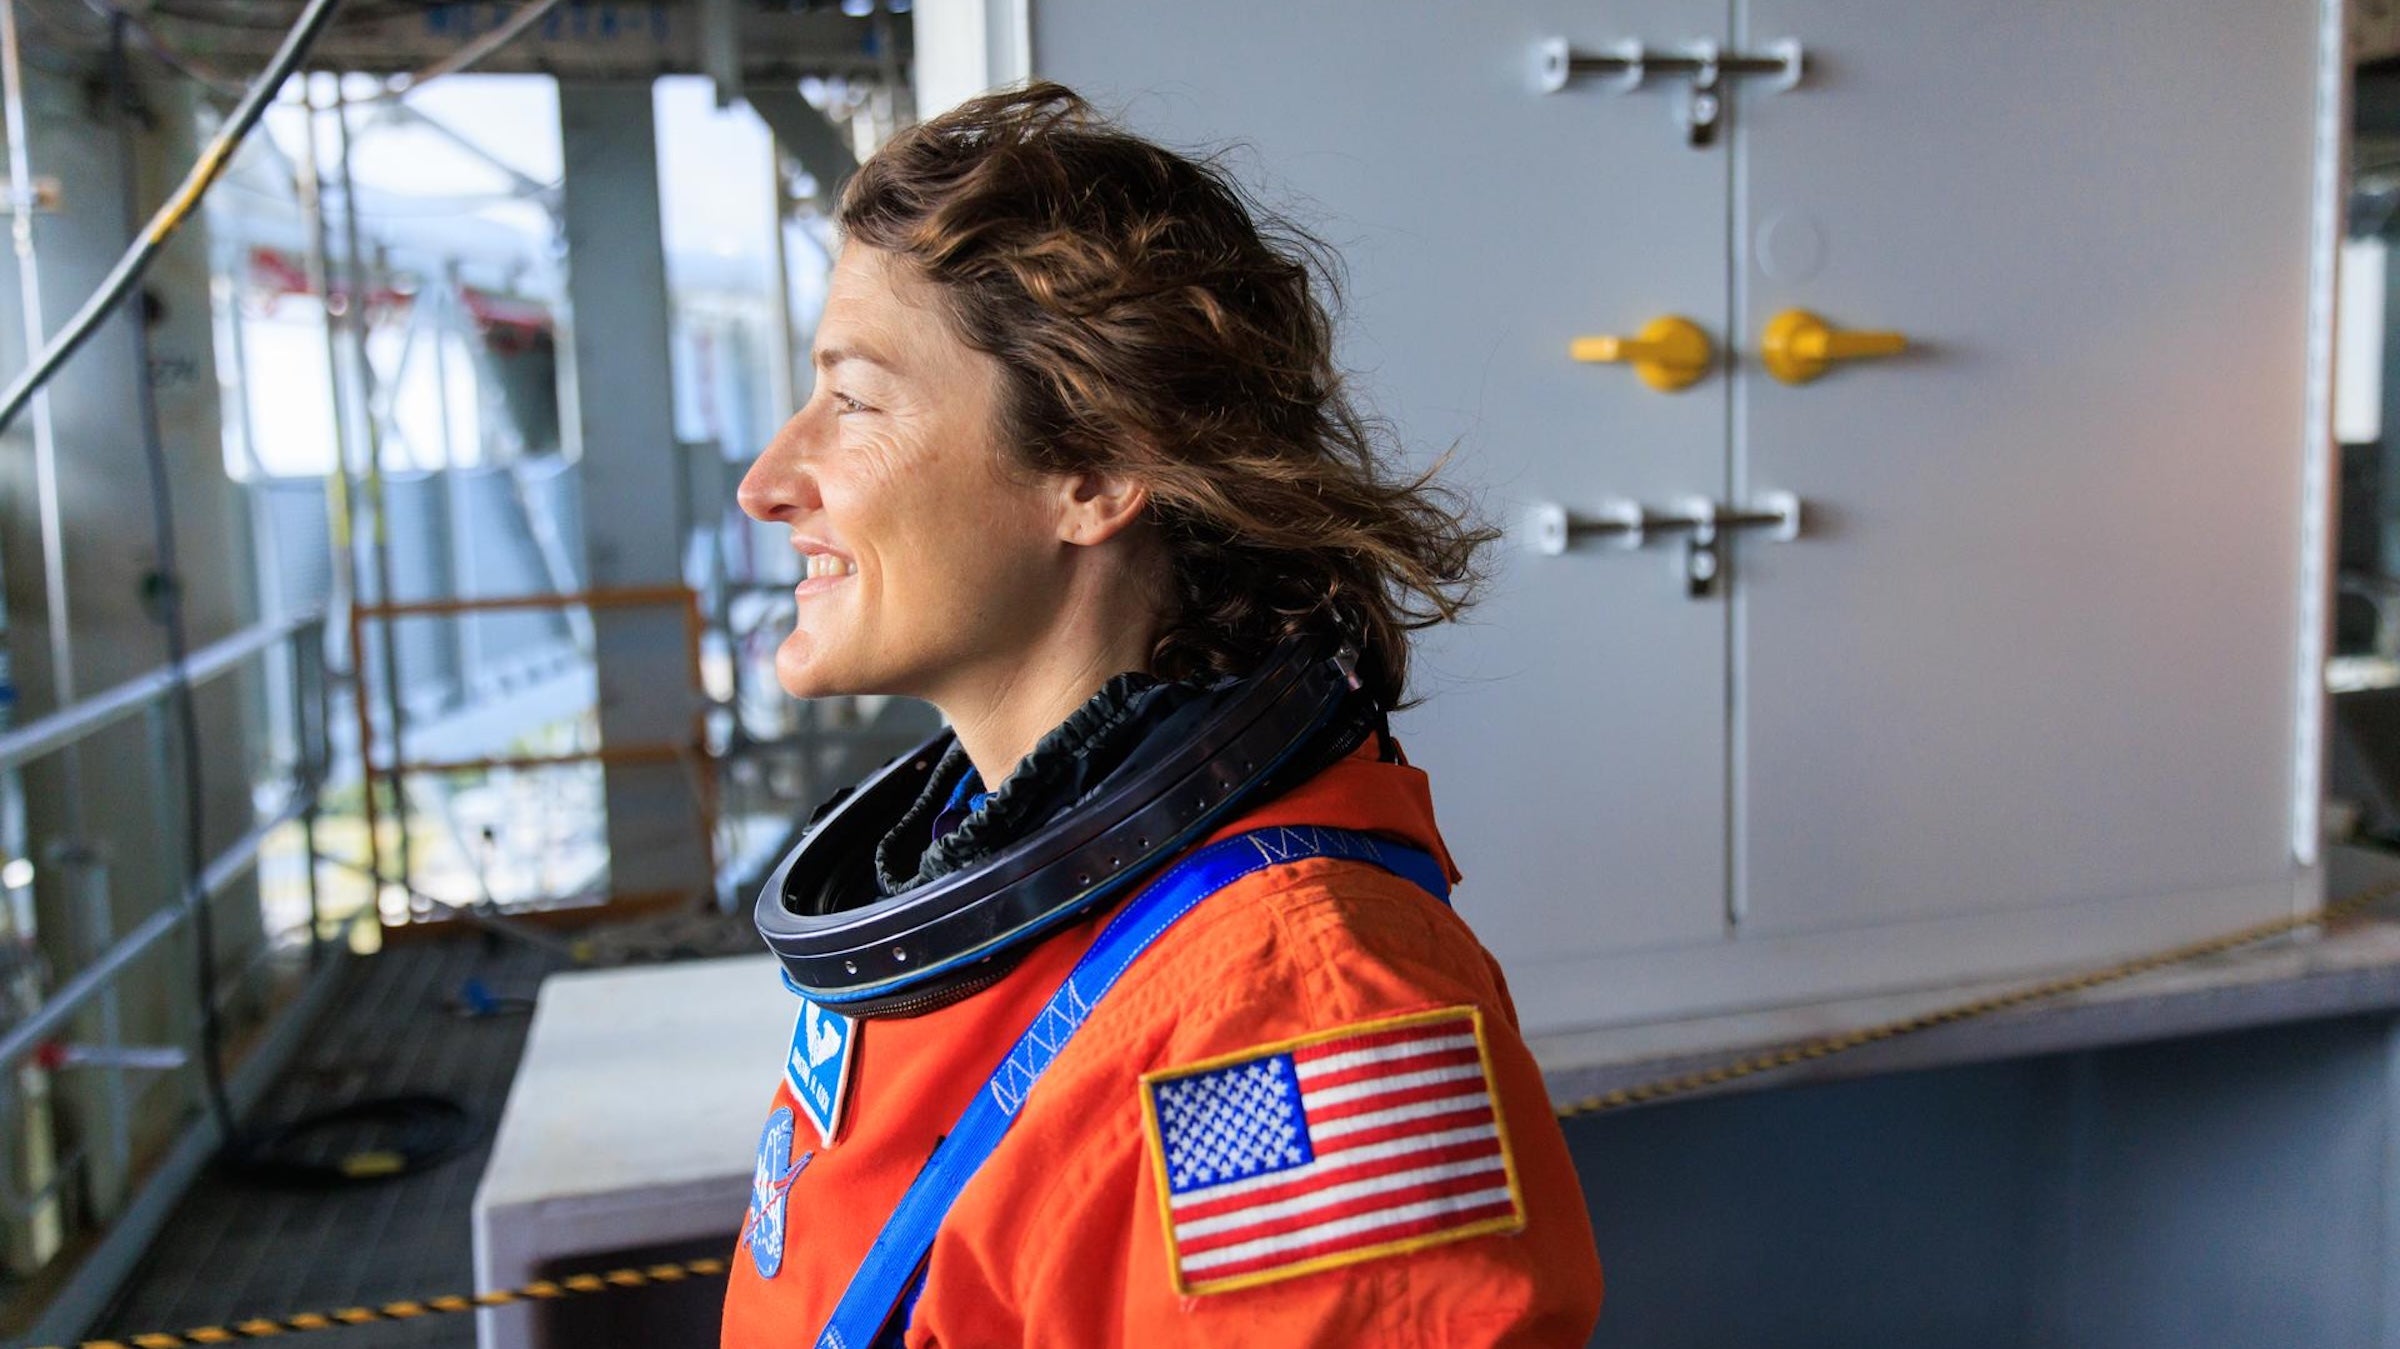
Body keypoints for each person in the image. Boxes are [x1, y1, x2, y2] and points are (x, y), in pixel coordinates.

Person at [725, 82, 1603, 1348]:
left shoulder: (1297, 1015)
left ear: (1094, 471)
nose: (768, 481)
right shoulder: (994, 891)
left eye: (854, 399)